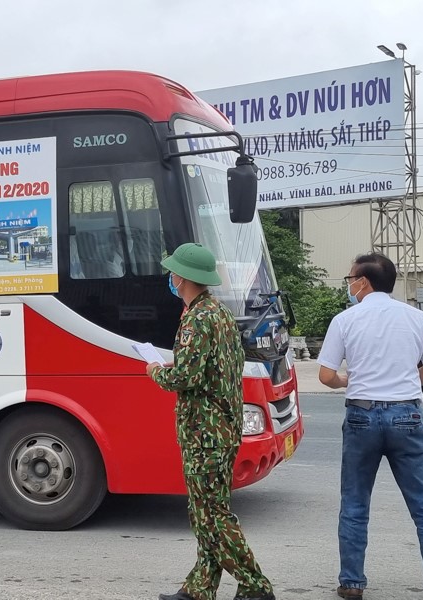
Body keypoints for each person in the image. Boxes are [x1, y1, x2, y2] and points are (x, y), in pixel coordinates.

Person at [146, 243, 274, 600]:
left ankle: (255, 586)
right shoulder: (217, 313)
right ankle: (200, 588)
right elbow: (211, 372)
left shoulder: (197, 319)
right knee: (204, 512)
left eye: (173, 272)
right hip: (219, 427)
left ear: (183, 278)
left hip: (206, 432)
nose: (170, 277)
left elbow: (185, 377)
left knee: (212, 515)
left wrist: (156, 371)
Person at [318, 252, 423, 600]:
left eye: (350, 278)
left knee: (354, 502)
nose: (349, 284)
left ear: (363, 282)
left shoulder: (345, 320)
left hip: (362, 416)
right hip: (407, 416)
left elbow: (325, 375)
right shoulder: (417, 318)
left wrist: (348, 380)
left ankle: (351, 582)